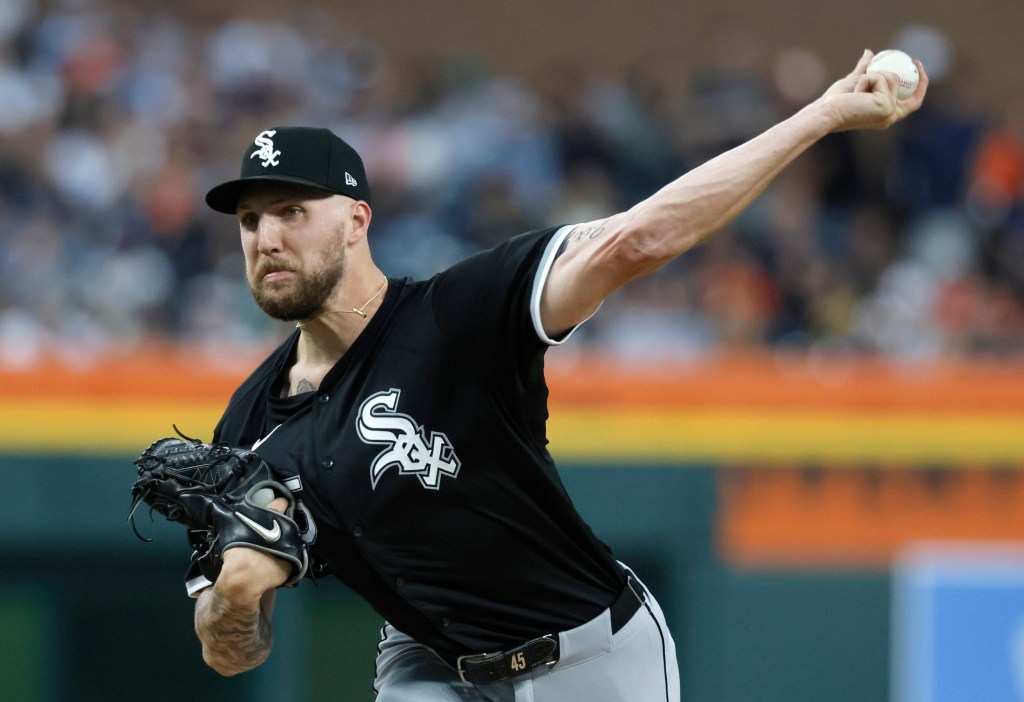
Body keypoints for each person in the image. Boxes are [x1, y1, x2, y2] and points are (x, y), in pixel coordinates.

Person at [190, 50, 927, 701]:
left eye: (291, 210)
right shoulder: (246, 430)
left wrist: (822, 115)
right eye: (251, 221)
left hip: (591, 653)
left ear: (356, 220)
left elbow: (636, 239)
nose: (268, 238)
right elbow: (229, 653)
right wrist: (233, 599)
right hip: (430, 666)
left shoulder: (454, 316)